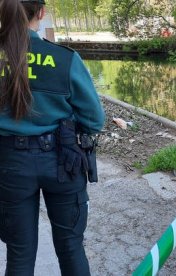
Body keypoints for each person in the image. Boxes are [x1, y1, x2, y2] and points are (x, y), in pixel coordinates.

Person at [0, 0, 105, 275]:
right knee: (71, 247)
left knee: (19, 255)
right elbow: (95, 120)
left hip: (9, 165)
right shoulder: (64, 59)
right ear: (41, 12)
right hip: (63, 161)